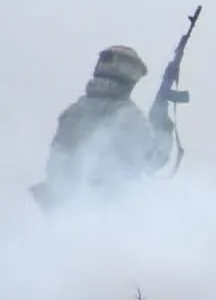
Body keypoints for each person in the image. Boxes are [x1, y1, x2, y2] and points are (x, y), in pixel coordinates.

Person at [32, 45, 175, 211]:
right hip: (107, 210)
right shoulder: (129, 116)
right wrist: (163, 127)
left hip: (64, 206)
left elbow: (56, 163)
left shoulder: (72, 111)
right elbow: (152, 162)